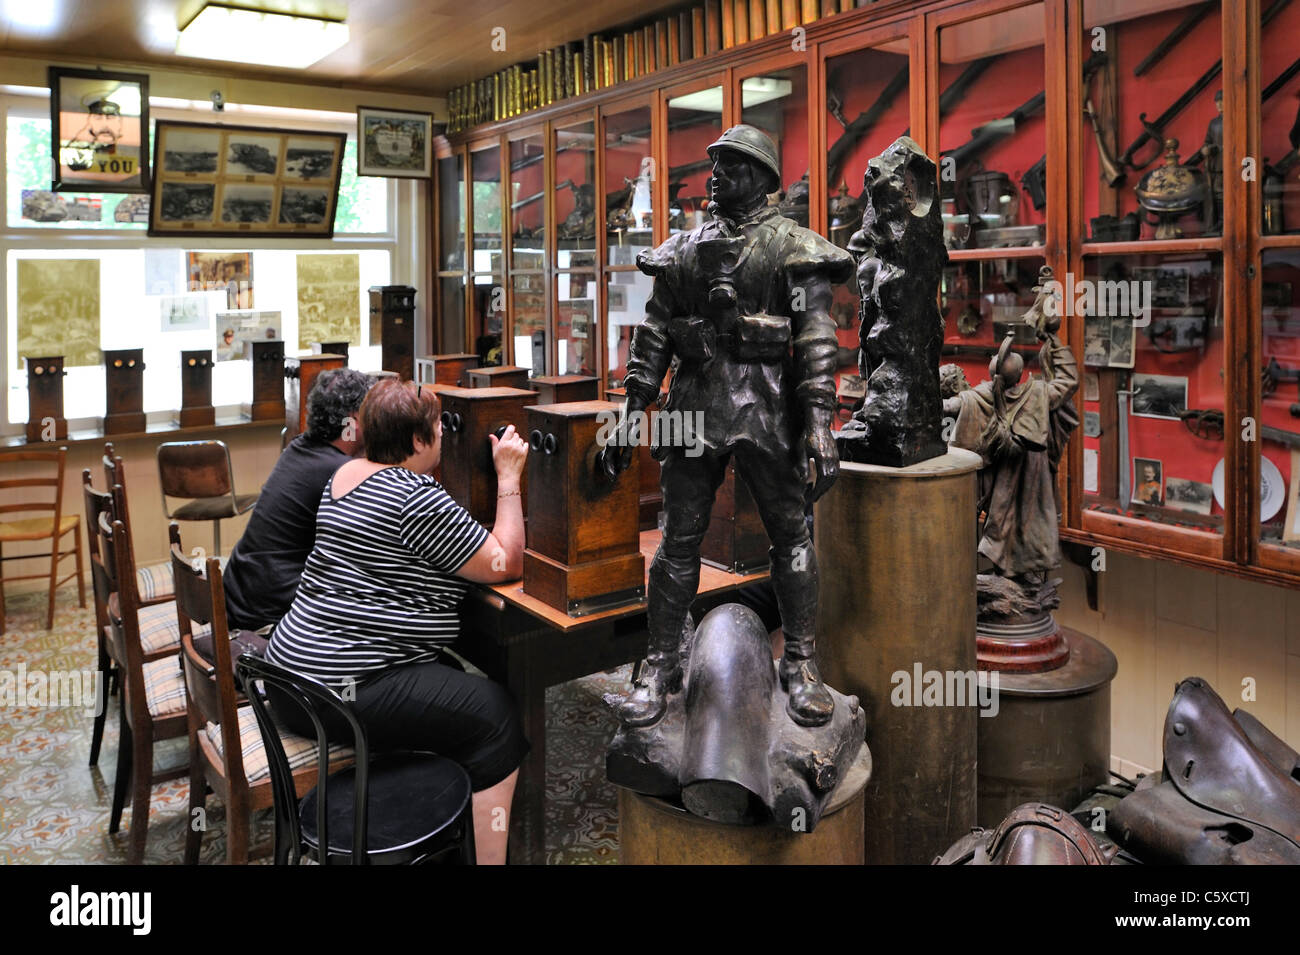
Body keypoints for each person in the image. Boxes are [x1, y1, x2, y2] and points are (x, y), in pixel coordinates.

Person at [606, 124, 853, 728]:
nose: (717, 174)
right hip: (692, 404)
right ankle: (661, 665)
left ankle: (799, 663)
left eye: (734, 166)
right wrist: (629, 413)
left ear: (764, 180)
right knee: (677, 539)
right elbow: (655, 333)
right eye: (715, 164)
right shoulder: (684, 249)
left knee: (791, 535)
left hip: (769, 407)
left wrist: (820, 420)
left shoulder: (793, 247)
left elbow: (818, 336)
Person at [265, 379, 529, 865]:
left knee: (453, 696)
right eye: (438, 428)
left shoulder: (344, 475)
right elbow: (504, 562)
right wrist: (508, 478)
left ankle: (447, 813)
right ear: (416, 441)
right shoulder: (412, 495)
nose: (445, 437)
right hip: (336, 693)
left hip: (288, 678)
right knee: (495, 715)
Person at [222, 368, 373, 632]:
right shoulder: (338, 472)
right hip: (268, 618)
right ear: (353, 421)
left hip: (240, 600)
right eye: (372, 415)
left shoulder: (300, 448)